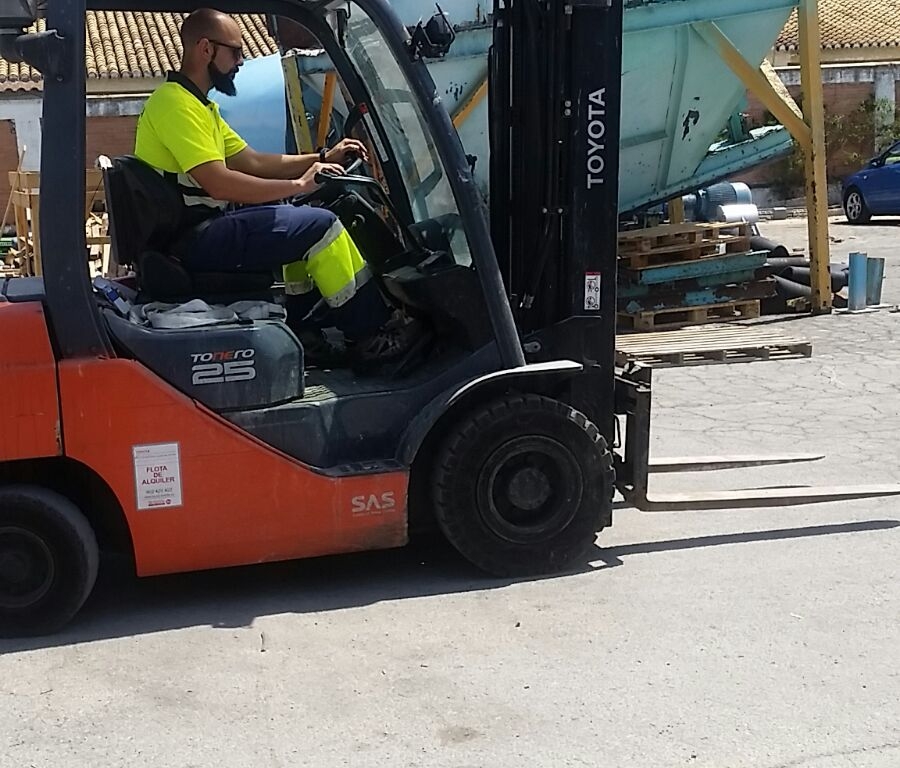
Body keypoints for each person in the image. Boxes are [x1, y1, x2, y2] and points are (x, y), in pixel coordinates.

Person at [133, 8, 419, 365]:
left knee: (298, 218)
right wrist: (298, 184)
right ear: (205, 49)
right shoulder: (175, 105)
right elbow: (218, 183)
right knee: (322, 227)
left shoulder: (199, 106)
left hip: (196, 230)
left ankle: (303, 331)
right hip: (192, 238)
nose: (241, 60)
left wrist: (320, 157)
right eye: (235, 51)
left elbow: (252, 161)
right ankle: (371, 334)